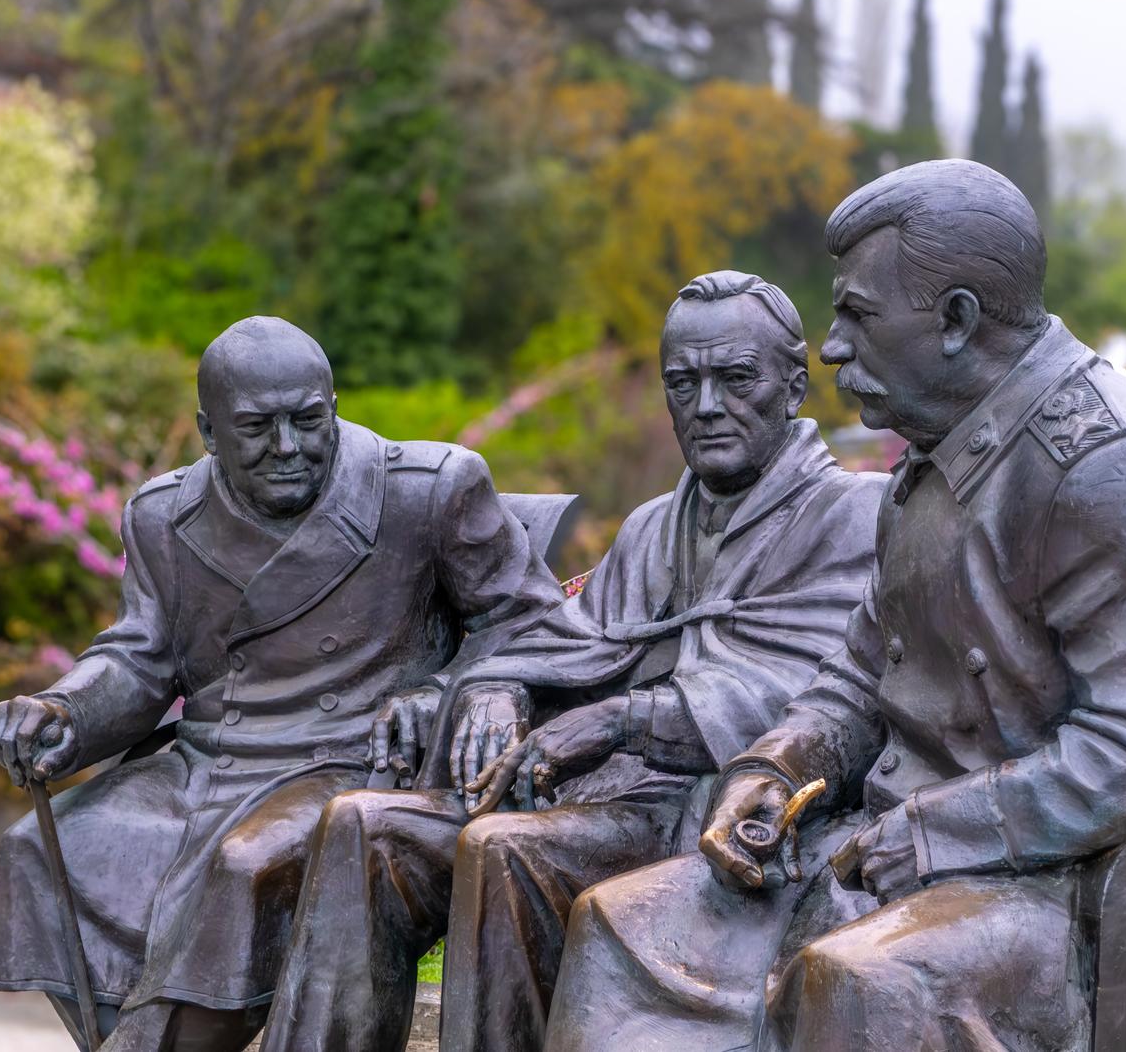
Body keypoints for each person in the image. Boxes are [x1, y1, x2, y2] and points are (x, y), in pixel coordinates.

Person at [545, 161, 1126, 1052]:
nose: (832, 345)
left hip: (1089, 879)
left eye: (857, 314)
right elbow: (855, 675)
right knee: (621, 924)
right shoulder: (930, 458)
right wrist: (771, 768)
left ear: (956, 321)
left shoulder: (1118, 466)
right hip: (896, 838)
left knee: (854, 980)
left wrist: (932, 832)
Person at [257, 271, 888, 1052]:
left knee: (504, 848)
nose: (707, 405)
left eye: (735, 379)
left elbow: (818, 698)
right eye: (681, 383)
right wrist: (495, 684)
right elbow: (565, 642)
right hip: (589, 792)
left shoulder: (857, 515)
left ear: (795, 384)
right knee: (363, 826)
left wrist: (623, 719)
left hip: (702, 813)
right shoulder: (654, 525)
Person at [0, 316, 563, 1052]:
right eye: (257, 427)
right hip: (208, 760)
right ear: (208, 430)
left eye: (308, 420)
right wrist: (63, 709)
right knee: (43, 846)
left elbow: (532, 623)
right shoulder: (163, 515)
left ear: (335, 404)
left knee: (244, 865)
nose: (288, 448)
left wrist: (447, 689)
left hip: (355, 759)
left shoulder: (426, 489)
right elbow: (138, 658)